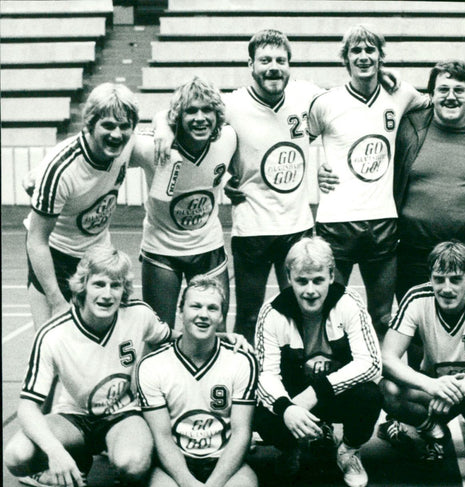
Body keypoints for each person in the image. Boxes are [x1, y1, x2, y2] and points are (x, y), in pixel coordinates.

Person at [310, 25, 465, 340]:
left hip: (390, 227)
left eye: (371, 50)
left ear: (382, 57)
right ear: (345, 58)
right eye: (356, 50)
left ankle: (384, 380)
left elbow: (451, 103)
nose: (364, 57)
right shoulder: (326, 102)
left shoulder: (404, 96)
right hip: (349, 227)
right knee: (332, 312)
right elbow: (297, 142)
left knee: (386, 316)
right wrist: (317, 171)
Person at [125, 276, 299, 487]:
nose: (203, 314)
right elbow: (161, 438)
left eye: (212, 308)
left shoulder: (241, 361)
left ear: (222, 316)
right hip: (174, 466)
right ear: (181, 310)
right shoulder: (152, 366)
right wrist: (189, 484)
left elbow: (242, 433)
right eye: (195, 306)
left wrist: (213, 485)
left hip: (226, 464)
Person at [154, 29, 322, 345]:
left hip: (298, 227)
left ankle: (294, 378)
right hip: (252, 230)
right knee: (248, 313)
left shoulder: (307, 95)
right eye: (265, 60)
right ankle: (242, 377)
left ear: (290, 65)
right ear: (251, 64)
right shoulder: (232, 105)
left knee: (301, 310)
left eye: (280, 60)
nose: (274, 67)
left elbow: (344, 116)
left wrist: (330, 166)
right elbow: (177, 111)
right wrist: (162, 126)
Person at [3, 246, 170, 487]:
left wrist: (224, 340)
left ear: (123, 290)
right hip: (73, 417)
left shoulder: (138, 315)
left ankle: (120, 453)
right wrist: (55, 452)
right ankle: (74, 460)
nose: (107, 294)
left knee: (133, 465)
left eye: (115, 286)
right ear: (83, 286)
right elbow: (27, 407)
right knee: (16, 456)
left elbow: (173, 340)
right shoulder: (53, 335)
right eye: (99, 284)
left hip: (122, 414)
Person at [252, 237, 383, 487]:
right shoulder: (272, 312)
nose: (310, 290)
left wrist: (316, 391)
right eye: (301, 281)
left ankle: (348, 451)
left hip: (332, 395)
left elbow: (371, 363)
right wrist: (285, 408)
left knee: (370, 394)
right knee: (260, 409)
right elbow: (265, 375)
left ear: (331, 275)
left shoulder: (349, 302)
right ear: (289, 277)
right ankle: (289, 449)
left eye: (318, 280)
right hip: (294, 399)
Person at [380, 241, 465, 467]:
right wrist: (430, 385)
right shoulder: (416, 298)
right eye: (439, 279)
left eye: (455, 279)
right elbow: (387, 359)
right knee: (388, 389)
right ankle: (435, 433)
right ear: (430, 279)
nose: (446, 288)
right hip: (434, 395)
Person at [393, 60, 465, 302]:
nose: (451, 97)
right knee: (415, 331)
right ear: (430, 95)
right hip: (414, 254)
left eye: (459, 90)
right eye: (443, 90)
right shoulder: (407, 130)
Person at [25, 83, 139, 328]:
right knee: (50, 340)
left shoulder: (127, 145)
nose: (116, 134)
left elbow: (165, 134)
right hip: (55, 254)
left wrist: (162, 126)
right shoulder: (61, 170)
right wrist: (56, 300)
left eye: (124, 126)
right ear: (89, 124)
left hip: (97, 254)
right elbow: (36, 240)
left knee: (102, 336)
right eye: (107, 125)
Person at [132, 76, 236, 329]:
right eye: (191, 111)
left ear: (218, 114)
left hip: (208, 248)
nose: (200, 118)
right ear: (177, 117)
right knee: (159, 333)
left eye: (207, 110)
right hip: (162, 251)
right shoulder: (152, 147)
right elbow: (104, 146)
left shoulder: (229, 139)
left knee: (215, 330)